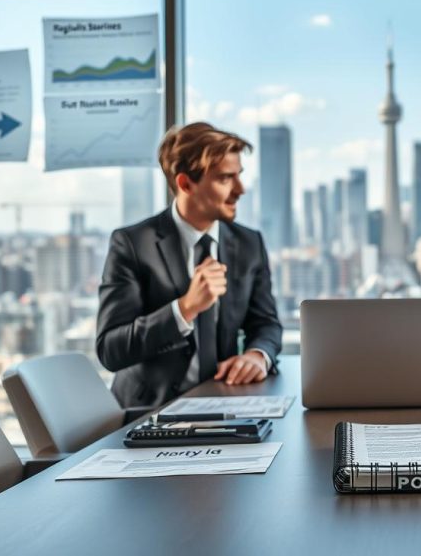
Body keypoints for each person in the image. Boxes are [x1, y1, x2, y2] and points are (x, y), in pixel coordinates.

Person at [96, 122, 282, 408]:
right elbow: (111, 350)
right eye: (225, 179)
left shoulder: (249, 244)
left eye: (239, 176)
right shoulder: (132, 244)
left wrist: (257, 355)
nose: (240, 190)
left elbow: (266, 323)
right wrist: (185, 309)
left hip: (227, 407)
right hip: (148, 414)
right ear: (185, 184)